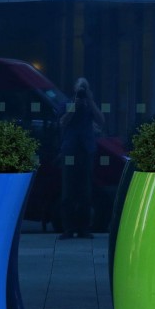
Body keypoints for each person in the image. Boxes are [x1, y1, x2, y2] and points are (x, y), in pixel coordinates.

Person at [58, 77, 104, 239]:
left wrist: (90, 101)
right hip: (70, 151)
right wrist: (73, 107)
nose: (82, 92)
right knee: (68, 190)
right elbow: (62, 122)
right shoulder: (67, 103)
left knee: (85, 190)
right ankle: (69, 228)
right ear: (74, 89)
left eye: (85, 88)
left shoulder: (90, 106)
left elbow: (101, 120)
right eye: (80, 88)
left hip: (86, 151)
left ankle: (84, 228)